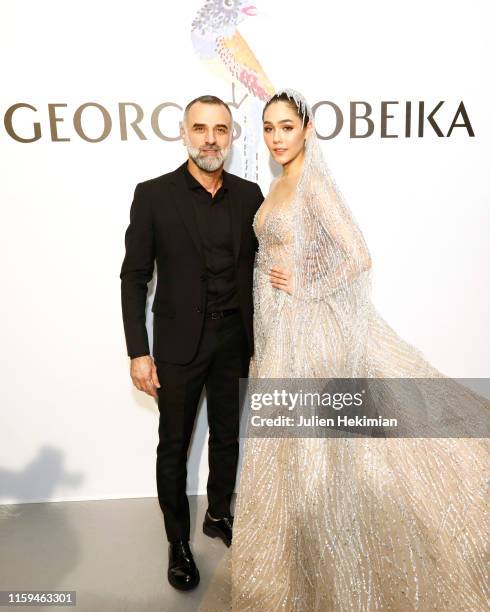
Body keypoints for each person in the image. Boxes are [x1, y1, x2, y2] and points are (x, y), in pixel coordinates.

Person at [198, 89, 489, 610]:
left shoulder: (312, 186)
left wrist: (305, 285)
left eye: (286, 127)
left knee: (316, 451)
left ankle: (333, 554)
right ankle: (297, 553)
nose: (277, 137)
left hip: (306, 334)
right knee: (289, 448)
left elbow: (358, 254)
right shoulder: (280, 184)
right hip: (277, 333)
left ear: (307, 129)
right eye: (269, 128)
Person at [119, 95, 264, 591]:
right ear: (184, 134)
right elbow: (134, 277)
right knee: (174, 446)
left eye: (220, 129)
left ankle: (219, 513)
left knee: (228, 436)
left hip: (234, 341)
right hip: (178, 346)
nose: (210, 138)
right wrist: (138, 351)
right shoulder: (153, 195)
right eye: (200, 128)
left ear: (231, 136)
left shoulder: (250, 196)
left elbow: (261, 266)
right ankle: (177, 541)